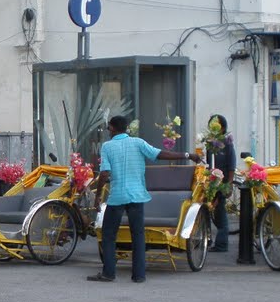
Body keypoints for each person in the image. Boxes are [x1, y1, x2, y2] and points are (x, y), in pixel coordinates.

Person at [89, 115, 201, 284]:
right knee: (138, 235)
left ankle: (108, 273)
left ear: (112, 128)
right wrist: (187, 155)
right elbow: (161, 154)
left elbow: (104, 173)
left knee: (109, 235)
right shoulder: (138, 143)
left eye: (109, 128)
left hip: (117, 196)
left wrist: (97, 197)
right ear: (126, 128)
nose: (108, 131)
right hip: (136, 195)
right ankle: (139, 275)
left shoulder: (107, 147)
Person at [206, 113, 236, 252]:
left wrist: (228, 184)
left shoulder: (228, 144)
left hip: (222, 182)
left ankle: (221, 244)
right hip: (211, 182)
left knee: (220, 213)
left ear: (222, 127)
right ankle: (209, 240)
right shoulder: (210, 144)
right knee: (211, 212)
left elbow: (231, 166)